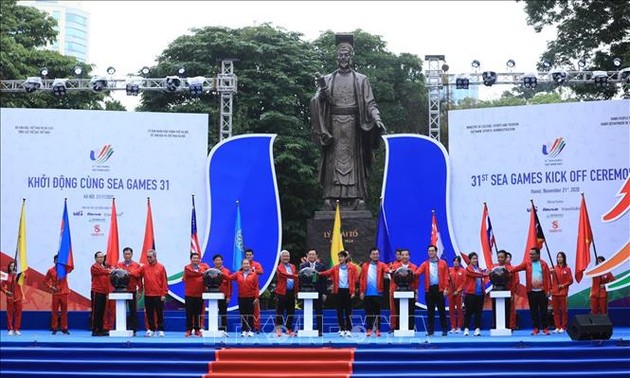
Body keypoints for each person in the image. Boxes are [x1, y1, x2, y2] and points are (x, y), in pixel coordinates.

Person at [310, 33, 385, 211]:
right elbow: (315, 101)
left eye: (346, 55)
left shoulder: (361, 79)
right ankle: (329, 197)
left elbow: (370, 103)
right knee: (332, 160)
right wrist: (321, 95)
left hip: (354, 125)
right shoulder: (328, 79)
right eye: (341, 55)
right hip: (333, 124)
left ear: (351, 57)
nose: (344, 58)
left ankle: (357, 197)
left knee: (354, 161)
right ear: (337, 57)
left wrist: (377, 118)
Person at [510, 247, 552, 335]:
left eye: (532, 254)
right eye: (530, 254)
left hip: (542, 291)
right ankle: (535, 328)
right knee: (534, 311)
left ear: (538, 255)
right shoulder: (527, 263)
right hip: (531, 291)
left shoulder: (544, 264)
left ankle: (545, 328)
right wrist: (509, 271)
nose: (531, 256)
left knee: (544, 310)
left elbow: (548, 278)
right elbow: (517, 268)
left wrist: (549, 290)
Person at [319, 250, 358, 337]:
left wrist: (353, 292)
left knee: (348, 311)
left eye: (342, 257)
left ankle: (348, 329)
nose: (340, 258)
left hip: (348, 291)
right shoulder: (336, 268)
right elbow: (327, 273)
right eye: (339, 257)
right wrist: (318, 273)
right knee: (339, 311)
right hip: (338, 291)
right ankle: (341, 329)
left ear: (346, 258)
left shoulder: (352, 267)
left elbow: (355, 280)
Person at [415, 244, 450, 336]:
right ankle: (430, 331)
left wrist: (446, 288)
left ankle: (444, 330)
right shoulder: (425, 264)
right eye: (429, 251)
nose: (431, 252)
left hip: (440, 289)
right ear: (427, 252)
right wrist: (409, 271)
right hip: (429, 290)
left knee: (442, 311)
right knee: (430, 312)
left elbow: (447, 276)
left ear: (436, 252)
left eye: (432, 251)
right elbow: (417, 273)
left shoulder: (443, 263)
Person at [359, 248, 388, 337]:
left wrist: (389, 271)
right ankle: (369, 329)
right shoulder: (364, 266)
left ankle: (378, 329)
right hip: (367, 293)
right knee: (368, 313)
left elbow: (387, 269)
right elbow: (362, 279)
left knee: (377, 313)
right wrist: (361, 291)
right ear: (370, 255)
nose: (375, 255)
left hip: (378, 293)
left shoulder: (382, 265)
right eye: (373, 254)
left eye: (377, 254)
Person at [299, 249, 328, 336]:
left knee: (319, 311)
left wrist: (324, 293)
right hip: (306, 291)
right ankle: (306, 329)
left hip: (318, 291)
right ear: (307, 255)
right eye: (310, 254)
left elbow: (324, 281)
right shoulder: (302, 266)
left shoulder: (321, 266)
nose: (311, 256)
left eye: (313, 254)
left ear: (316, 256)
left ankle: (320, 330)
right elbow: (300, 279)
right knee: (307, 310)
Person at [115, 247, 143, 336]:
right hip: (121, 291)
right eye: (125, 254)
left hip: (132, 290)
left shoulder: (136, 265)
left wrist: (140, 289)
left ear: (131, 255)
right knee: (121, 310)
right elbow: (115, 277)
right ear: (123, 255)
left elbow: (138, 277)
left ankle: (133, 329)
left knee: (133, 310)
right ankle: (121, 328)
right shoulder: (118, 265)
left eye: (129, 254)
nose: (127, 255)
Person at [228, 259, 260, 337]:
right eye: (244, 264)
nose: (246, 265)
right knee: (242, 314)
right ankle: (244, 330)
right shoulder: (238, 273)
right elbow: (229, 278)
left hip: (251, 297)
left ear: (250, 265)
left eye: (247, 264)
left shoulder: (254, 274)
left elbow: (256, 286)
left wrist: (256, 297)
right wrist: (221, 274)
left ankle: (251, 330)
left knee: (250, 314)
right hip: (241, 297)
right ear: (242, 265)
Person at [389, 249, 417, 332]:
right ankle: (397, 328)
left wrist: (416, 292)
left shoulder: (414, 267)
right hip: (397, 292)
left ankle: (411, 328)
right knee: (397, 310)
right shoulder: (395, 266)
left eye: (406, 255)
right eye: (403, 255)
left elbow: (416, 281)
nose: (404, 256)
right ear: (400, 256)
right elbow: (393, 280)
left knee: (411, 311)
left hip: (410, 292)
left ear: (409, 256)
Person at [143, 249, 168, 337]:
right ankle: (151, 329)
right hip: (148, 294)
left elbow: (164, 281)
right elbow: (136, 274)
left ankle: (160, 330)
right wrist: (127, 272)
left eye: (150, 257)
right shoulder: (144, 267)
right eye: (147, 257)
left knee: (159, 313)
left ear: (155, 257)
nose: (148, 259)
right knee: (149, 313)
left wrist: (163, 294)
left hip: (158, 295)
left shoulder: (161, 267)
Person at [183, 252, 210, 337]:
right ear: (191, 259)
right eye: (194, 258)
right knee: (189, 313)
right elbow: (191, 274)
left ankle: (197, 330)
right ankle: (189, 330)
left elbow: (208, 274)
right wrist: (202, 273)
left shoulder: (203, 267)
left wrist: (204, 271)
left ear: (199, 259)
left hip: (199, 294)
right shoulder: (187, 268)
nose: (196, 260)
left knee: (198, 313)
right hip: (189, 294)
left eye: (197, 258)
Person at [462, 252, 488, 337]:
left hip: (479, 294)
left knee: (478, 312)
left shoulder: (479, 269)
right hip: (470, 294)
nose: (475, 260)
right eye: (473, 258)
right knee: (468, 312)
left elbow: (482, 276)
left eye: (476, 258)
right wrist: (485, 274)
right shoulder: (468, 269)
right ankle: (466, 329)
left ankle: (477, 329)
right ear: (469, 260)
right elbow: (475, 275)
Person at [45, 255, 70, 335]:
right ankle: (54, 328)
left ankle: (64, 328)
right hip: (55, 293)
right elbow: (45, 281)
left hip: (64, 293)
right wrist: (51, 287)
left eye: (59, 260)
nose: (58, 261)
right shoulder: (50, 270)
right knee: (54, 312)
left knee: (64, 312)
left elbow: (71, 267)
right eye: (56, 260)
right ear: (54, 261)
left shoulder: (65, 269)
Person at [274, 250, 298, 336]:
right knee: (280, 311)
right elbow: (285, 274)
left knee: (291, 311)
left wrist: (296, 291)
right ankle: (279, 329)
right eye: (284, 256)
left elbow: (296, 280)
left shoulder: (293, 266)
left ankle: (289, 329)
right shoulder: (279, 267)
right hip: (281, 292)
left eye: (287, 256)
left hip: (291, 292)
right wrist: (296, 275)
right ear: (281, 258)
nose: (286, 258)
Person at [490, 250, 514, 331]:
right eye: (498, 257)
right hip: (495, 291)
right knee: (495, 309)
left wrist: (512, 293)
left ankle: (507, 326)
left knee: (507, 310)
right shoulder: (493, 267)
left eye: (502, 257)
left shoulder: (511, 268)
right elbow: (490, 277)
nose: (500, 259)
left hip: (507, 291)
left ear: (505, 258)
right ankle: (495, 325)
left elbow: (515, 282)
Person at [550, 251, 573, 333]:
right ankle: (557, 326)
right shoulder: (553, 268)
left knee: (564, 311)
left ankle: (563, 327)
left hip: (563, 293)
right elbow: (549, 278)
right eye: (558, 257)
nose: (559, 258)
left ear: (564, 258)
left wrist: (563, 286)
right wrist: (550, 272)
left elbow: (570, 281)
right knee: (555, 311)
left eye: (561, 257)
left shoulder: (567, 269)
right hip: (555, 293)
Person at [90, 251, 111, 336]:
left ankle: (101, 329)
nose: (101, 258)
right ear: (95, 258)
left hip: (103, 292)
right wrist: (109, 270)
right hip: (96, 291)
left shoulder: (104, 267)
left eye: (102, 257)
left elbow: (106, 272)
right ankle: (95, 330)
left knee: (102, 312)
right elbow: (103, 271)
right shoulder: (94, 267)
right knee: (96, 311)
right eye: (99, 257)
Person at [1, 261, 24, 335]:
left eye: (14, 266)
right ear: (9, 267)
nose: (12, 267)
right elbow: (1, 286)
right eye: (11, 266)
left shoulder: (19, 276)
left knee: (18, 314)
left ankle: (16, 329)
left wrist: (18, 274)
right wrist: (6, 292)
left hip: (18, 297)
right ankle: (10, 329)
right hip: (10, 297)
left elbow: (25, 275)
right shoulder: (6, 276)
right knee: (9, 314)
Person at [245, 249, 263, 332]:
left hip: (254, 290)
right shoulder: (243, 264)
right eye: (247, 255)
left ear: (253, 256)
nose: (248, 256)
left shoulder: (256, 264)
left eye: (250, 255)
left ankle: (257, 327)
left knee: (256, 310)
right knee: (246, 310)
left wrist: (252, 270)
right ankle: (246, 327)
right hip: (245, 291)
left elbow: (261, 271)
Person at [213, 254, 231, 334]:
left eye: (219, 260)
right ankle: (214, 329)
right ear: (213, 262)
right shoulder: (211, 271)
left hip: (223, 295)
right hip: (213, 296)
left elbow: (229, 285)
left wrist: (228, 296)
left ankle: (223, 330)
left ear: (222, 261)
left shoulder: (227, 271)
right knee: (214, 313)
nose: (218, 261)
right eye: (216, 260)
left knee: (223, 313)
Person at [448, 256, 465, 334]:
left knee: (459, 310)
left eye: (457, 261)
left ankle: (459, 327)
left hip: (459, 293)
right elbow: (446, 281)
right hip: (450, 293)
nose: (456, 262)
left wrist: (458, 291)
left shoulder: (463, 271)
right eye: (454, 261)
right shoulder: (449, 270)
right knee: (451, 310)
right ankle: (453, 327)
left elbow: (464, 283)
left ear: (459, 262)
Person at [387, 249, 403, 332]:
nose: (398, 256)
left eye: (400, 254)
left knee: (403, 307)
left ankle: (403, 326)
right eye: (397, 254)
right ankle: (393, 326)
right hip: (393, 289)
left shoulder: (405, 265)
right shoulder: (391, 264)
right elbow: (387, 274)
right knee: (393, 309)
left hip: (403, 289)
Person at [505, 252, 519, 330]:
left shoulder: (514, 269)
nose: (507, 259)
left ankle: (512, 325)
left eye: (508, 257)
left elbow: (516, 281)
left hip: (510, 291)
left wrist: (512, 292)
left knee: (511, 309)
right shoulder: (501, 268)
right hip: (501, 291)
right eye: (505, 257)